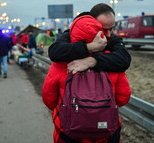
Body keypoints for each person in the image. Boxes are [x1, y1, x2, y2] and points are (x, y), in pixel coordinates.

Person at [42, 14, 131, 143]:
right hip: (105, 133)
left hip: (67, 132)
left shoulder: (60, 63)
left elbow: (48, 98)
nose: (109, 34)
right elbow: (123, 98)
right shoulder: (112, 61)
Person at [48, 3, 131, 74]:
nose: (109, 34)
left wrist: (92, 61)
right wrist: (89, 47)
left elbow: (124, 59)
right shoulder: (71, 34)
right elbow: (54, 52)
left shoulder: (112, 38)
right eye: (104, 29)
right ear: (91, 23)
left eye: (112, 28)